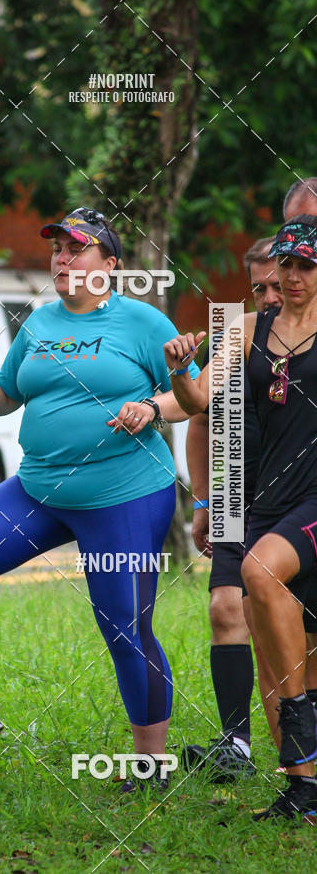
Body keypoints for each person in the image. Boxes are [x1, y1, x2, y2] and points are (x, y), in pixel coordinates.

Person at [0, 207, 199, 786]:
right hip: (40, 487)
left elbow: (189, 397)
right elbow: (7, 392)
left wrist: (150, 409)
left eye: (77, 248)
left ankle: (151, 763)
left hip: (124, 495)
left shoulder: (144, 323)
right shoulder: (40, 324)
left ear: (110, 264)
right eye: (56, 250)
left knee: (125, 627)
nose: (62, 259)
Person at [164, 215, 317, 820]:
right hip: (259, 500)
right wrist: (181, 366)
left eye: (308, 266)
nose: (296, 277)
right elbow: (200, 402)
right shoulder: (246, 328)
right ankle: (303, 787)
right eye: (288, 265)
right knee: (282, 642)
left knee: (258, 572)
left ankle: (300, 722)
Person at [182, 237, 283, 782]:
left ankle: (296, 749)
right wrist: (203, 498)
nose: (268, 297)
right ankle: (236, 745)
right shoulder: (232, 338)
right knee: (225, 609)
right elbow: (199, 416)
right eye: (257, 288)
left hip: (294, 499)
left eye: (276, 283)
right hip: (234, 491)